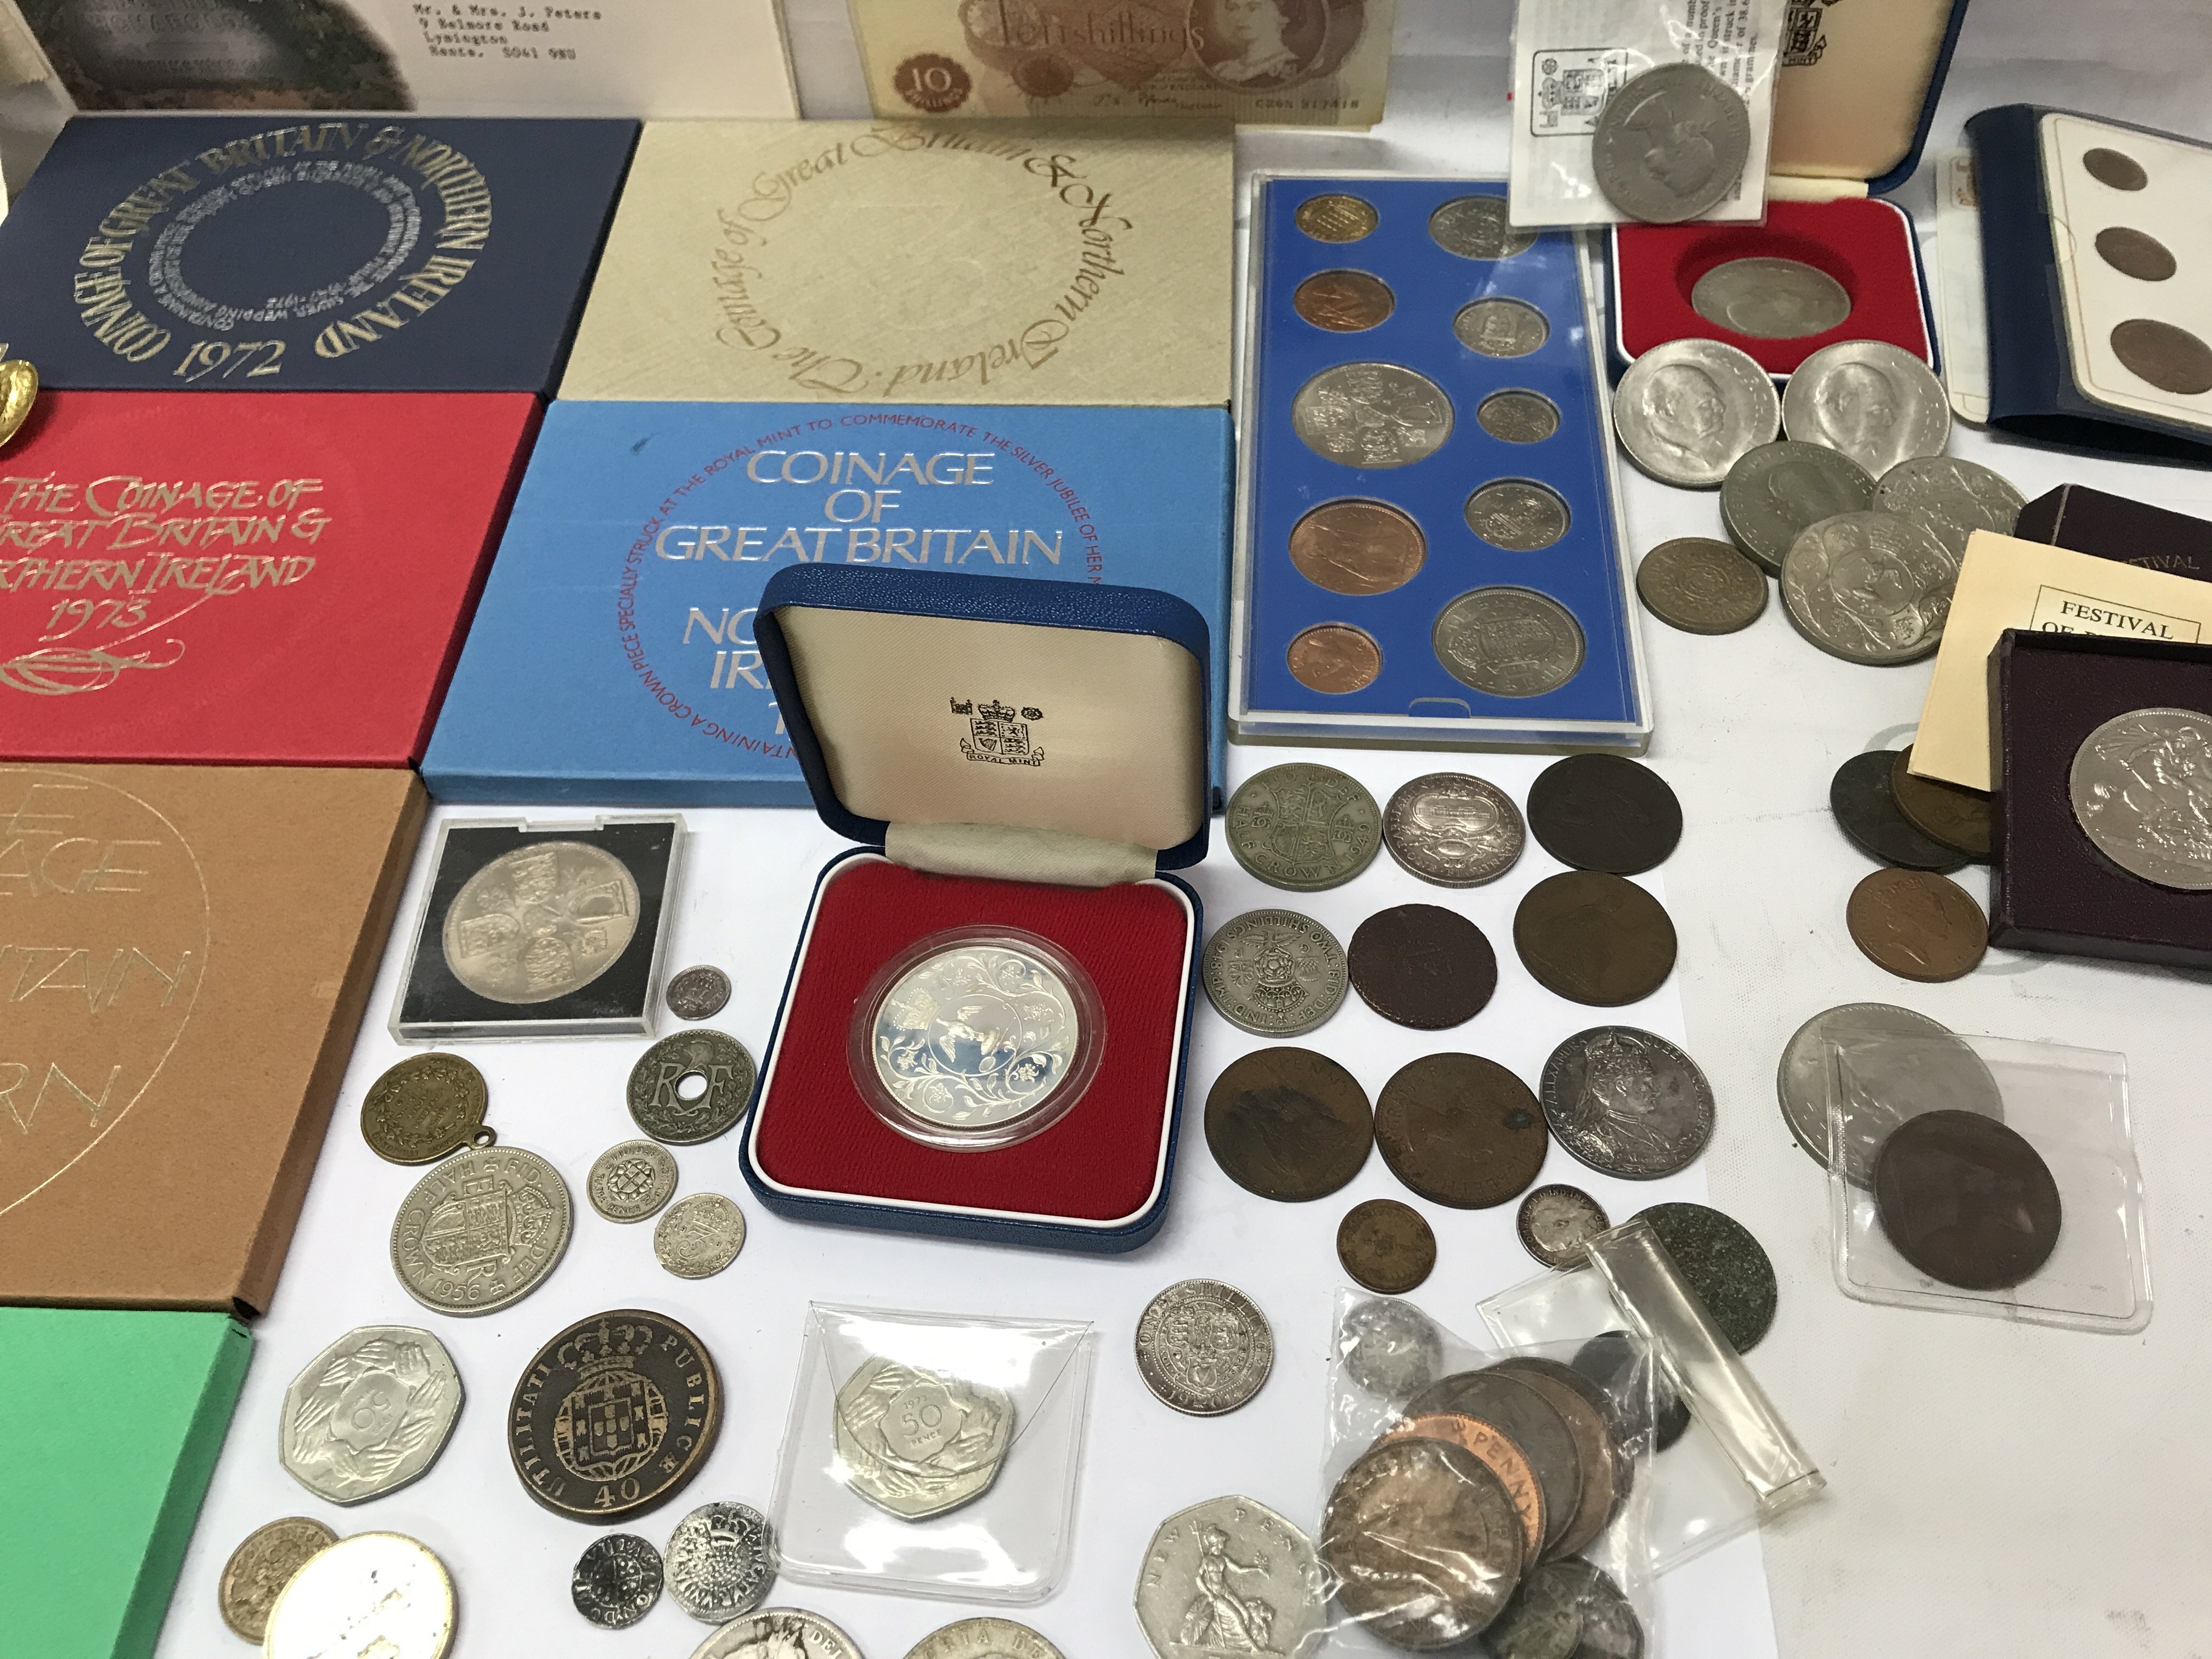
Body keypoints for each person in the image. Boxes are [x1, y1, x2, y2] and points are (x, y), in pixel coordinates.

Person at [1198, 0, 1305, 88]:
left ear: (1282, 15)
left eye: (1252, 8)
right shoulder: (1222, 70)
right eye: (1233, 8)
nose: (1238, 17)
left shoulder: (1294, 69)